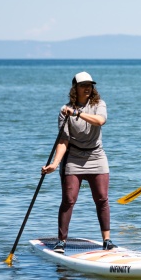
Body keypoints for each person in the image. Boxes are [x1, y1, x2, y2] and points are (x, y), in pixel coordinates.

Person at [41, 72, 116, 253]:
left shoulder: (99, 104)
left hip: (96, 156)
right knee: (69, 200)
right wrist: (55, 163)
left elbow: (100, 121)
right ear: (75, 88)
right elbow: (63, 141)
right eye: (83, 85)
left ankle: (107, 240)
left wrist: (77, 113)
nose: (87, 88)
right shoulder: (64, 111)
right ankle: (61, 241)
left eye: (90, 85)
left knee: (102, 199)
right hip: (73, 159)